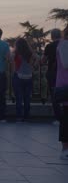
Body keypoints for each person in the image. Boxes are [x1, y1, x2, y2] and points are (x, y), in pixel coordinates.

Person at [12, 38, 37, 122]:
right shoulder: (30, 53)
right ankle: (26, 116)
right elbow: (37, 59)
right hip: (29, 76)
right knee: (27, 98)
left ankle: (19, 117)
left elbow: (10, 60)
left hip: (19, 76)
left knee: (19, 98)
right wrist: (32, 66)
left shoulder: (16, 53)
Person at [43, 29, 62, 125]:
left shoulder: (49, 46)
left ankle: (58, 118)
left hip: (52, 73)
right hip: (64, 73)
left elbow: (43, 60)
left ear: (52, 36)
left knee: (55, 96)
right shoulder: (64, 45)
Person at [57, 25, 68, 160]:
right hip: (66, 84)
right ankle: (65, 148)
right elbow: (66, 63)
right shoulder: (64, 44)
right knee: (66, 118)